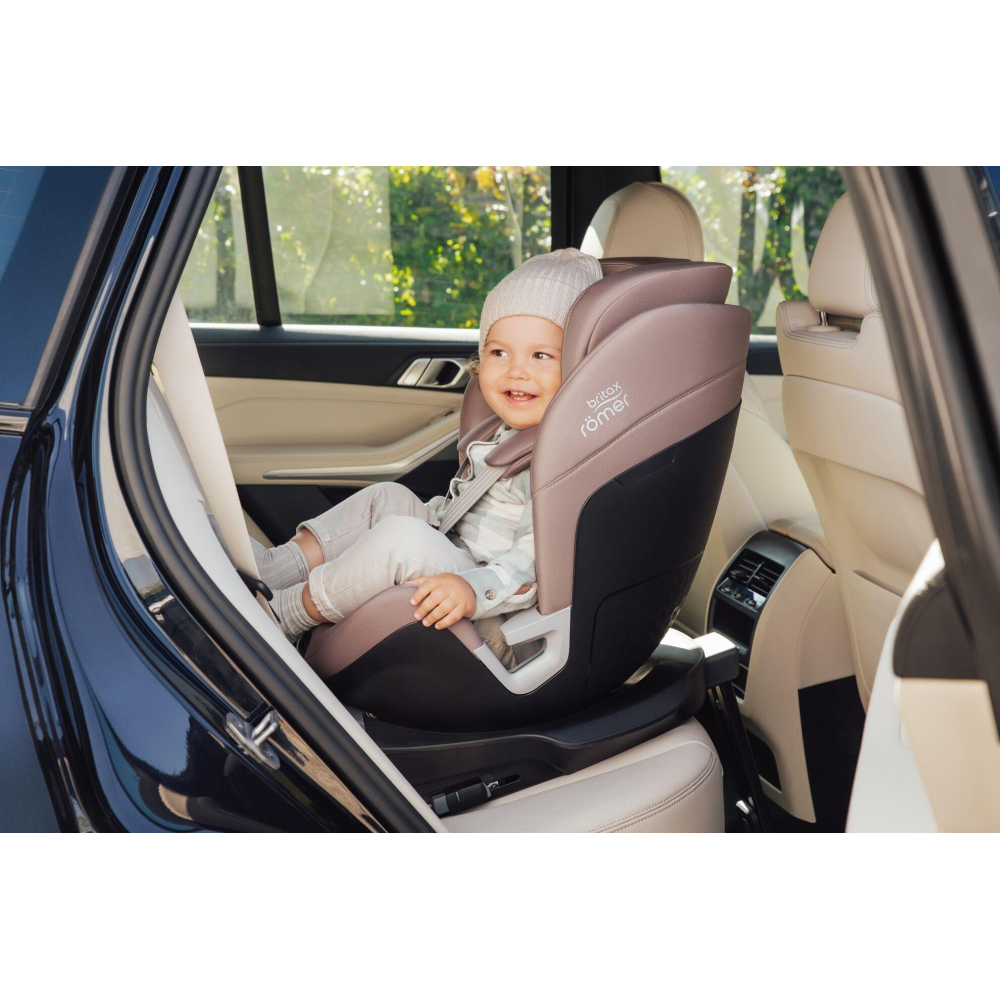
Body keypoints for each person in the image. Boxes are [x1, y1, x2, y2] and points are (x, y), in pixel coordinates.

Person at [251, 248, 603, 668]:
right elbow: (470, 514)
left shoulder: (560, 461)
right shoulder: (509, 433)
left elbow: (535, 564)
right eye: (499, 353)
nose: (516, 371)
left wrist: (473, 590)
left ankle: (285, 614)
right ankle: (275, 570)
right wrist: (431, 519)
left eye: (540, 355)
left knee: (405, 538)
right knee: (389, 498)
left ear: (580, 367)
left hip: (503, 621)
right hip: (467, 566)